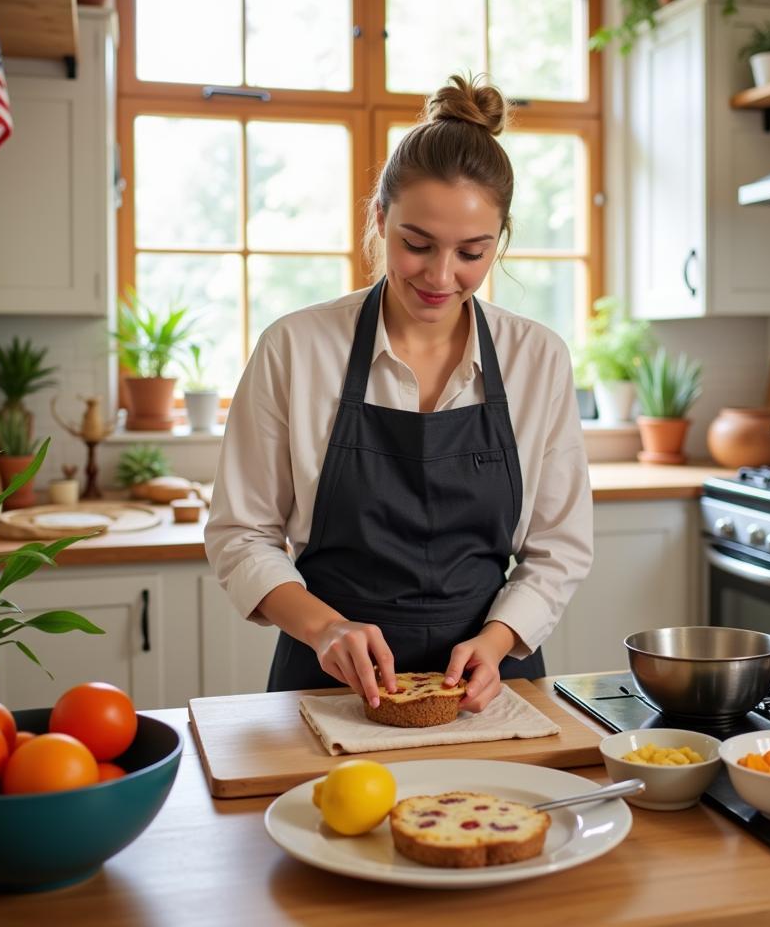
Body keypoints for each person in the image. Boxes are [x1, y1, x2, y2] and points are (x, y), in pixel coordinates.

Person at [205, 74, 593, 714]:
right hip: (324, 682)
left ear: (502, 239)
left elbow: (559, 546)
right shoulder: (296, 348)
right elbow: (240, 533)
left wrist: (497, 643)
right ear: (380, 217)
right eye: (417, 245)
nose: (442, 276)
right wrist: (324, 628)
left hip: (488, 688)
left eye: (472, 252)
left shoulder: (538, 359)